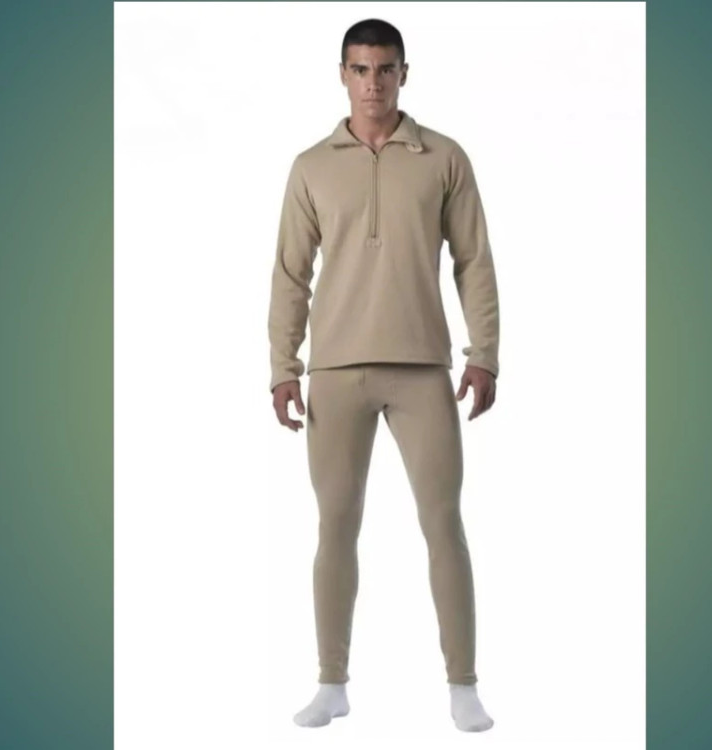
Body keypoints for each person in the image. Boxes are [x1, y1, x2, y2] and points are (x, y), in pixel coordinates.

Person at [267, 18, 499, 733]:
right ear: (343, 74)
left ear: (404, 73)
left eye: (386, 69)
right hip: (336, 371)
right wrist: (283, 367)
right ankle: (331, 682)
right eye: (361, 69)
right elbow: (290, 275)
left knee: (443, 524)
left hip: (423, 369)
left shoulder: (443, 158)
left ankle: (463, 684)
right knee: (335, 527)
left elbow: (474, 262)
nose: (373, 83)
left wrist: (484, 353)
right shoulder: (311, 166)